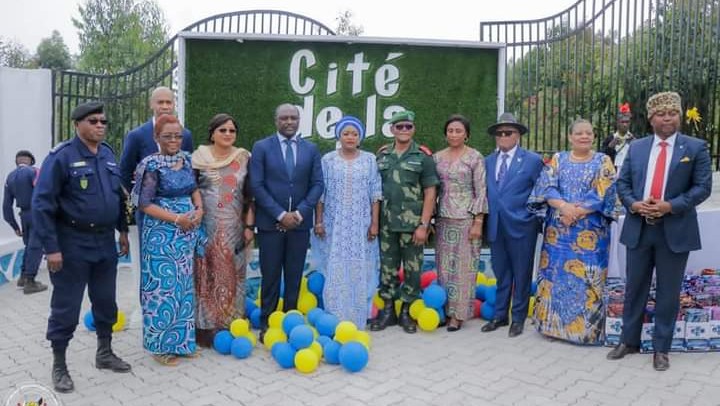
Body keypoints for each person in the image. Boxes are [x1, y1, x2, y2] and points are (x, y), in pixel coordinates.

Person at [607, 92, 712, 371]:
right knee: (634, 288)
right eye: (661, 114)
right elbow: (623, 184)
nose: (667, 118)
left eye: (672, 113)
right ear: (651, 118)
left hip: (674, 230)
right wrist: (633, 204)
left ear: (679, 116)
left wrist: (670, 206)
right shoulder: (637, 147)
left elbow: (702, 188)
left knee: (668, 291)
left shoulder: (696, 147)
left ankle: (661, 349)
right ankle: (629, 341)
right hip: (639, 228)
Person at [32, 101, 132, 393]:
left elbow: (118, 196)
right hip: (71, 243)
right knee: (66, 307)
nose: (100, 125)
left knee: (105, 301)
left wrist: (123, 230)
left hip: (104, 242)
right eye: (93, 121)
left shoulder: (108, 155)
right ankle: (60, 364)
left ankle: (104, 353)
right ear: (77, 124)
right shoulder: (61, 157)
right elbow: (42, 204)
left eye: (103, 121)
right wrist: (51, 249)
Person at [528, 118, 620, 345]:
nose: (584, 136)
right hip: (558, 233)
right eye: (579, 133)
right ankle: (552, 327)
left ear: (594, 136)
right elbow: (546, 186)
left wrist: (576, 211)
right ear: (570, 137)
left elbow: (604, 191)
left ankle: (586, 332)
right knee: (555, 276)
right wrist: (564, 207)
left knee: (587, 278)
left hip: (590, 234)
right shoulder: (558, 160)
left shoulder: (603, 161)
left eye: (589, 133)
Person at [131, 114, 205, 366]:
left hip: (186, 233)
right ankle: (160, 346)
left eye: (177, 135)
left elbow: (193, 187)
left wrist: (199, 208)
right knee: (162, 289)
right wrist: (176, 219)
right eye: (167, 136)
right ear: (156, 138)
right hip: (161, 235)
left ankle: (183, 344)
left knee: (183, 287)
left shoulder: (186, 159)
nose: (174, 140)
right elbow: (143, 204)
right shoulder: (150, 165)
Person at [249, 103, 323, 341]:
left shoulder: (311, 149)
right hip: (271, 225)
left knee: (293, 276)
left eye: (293, 117)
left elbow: (317, 185)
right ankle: (267, 325)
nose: (289, 122)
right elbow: (256, 186)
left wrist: (299, 214)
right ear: (276, 120)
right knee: (270, 276)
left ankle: (291, 325)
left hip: (300, 225)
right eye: (284, 118)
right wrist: (281, 215)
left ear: (299, 120)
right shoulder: (261, 147)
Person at [370, 110, 439, 334]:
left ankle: (407, 312)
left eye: (408, 127)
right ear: (392, 129)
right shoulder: (381, 155)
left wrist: (424, 225)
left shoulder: (423, 157)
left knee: (413, 269)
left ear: (413, 129)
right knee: (387, 269)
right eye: (399, 127)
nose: (404, 130)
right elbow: (374, 192)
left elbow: (430, 193)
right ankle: (388, 311)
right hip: (386, 224)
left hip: (413, 225)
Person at [312, 116, 381, 329]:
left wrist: (374, 223)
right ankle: (334, 316)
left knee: (362, 267)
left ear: (360, 137)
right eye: (346, 133)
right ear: (339, 136)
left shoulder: (369, 159)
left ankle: (359, 316)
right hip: (335, 225)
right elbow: (320, 194)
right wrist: (319, 221)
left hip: (361, 224)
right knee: (335, 267)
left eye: (354, 134)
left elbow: (375, 193)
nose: (350, 137)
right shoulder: (328, 160)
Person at [192, 114, 255, 347]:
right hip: (206, 228)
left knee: (233, 276)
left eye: (232, 131)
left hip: (234, 229)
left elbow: (251, 196)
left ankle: (233, 325)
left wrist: (249, 227)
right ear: (212, 134)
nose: (228, 134)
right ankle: (207, 329)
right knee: (207, 275)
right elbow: (191, 191)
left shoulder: (244, 158)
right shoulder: (198, 158)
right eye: (222, 130)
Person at [482, 113, 544, 337]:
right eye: (499, 133)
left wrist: (532, 217)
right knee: (501, 272)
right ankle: (500, 315)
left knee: (522, 273)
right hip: (496, 225)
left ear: (518, 135)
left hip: (522, 226)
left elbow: (541, 192)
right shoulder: (487, 161)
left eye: (508, 132)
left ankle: (518, 318)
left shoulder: (532, 160)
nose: (503, 136)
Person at [433, 115, 487, 332]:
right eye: (450, 130)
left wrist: (478, 221)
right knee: (444, 268)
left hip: (466, 219)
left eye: (458, 131)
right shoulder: (437, 158)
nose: (454, 134)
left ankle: (459, 315)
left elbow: (481, 190)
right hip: (443, 219)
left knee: (463, 269)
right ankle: (446, 311)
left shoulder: (474, 157)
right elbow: (432, 189)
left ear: (466, 134)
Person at [119, 87, 194, 229]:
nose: (165, 106)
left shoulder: (186, 135)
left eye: (168, 102)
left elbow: (189, 171)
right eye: (160, 102)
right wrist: (139, 197)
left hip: (181, 213)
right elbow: (124, 171)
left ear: (173, 104)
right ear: (151, 104)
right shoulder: (137, 136)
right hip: (149, 214)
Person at [3, 149, 47, 294]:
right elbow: (44, 192)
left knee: (29, 246)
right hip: (37, 213)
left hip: (24, 217)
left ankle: (22, 276)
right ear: (30, 161)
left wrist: (14, 225)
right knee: (36, 246)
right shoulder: (35, 171)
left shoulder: (9, 178)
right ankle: (30, 281)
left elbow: (6, 207)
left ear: (17, 161)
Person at [601, 103, 635, 173]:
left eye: (627, 122)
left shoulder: (633, 139)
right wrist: (610, 146)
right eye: (622, 122)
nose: (625, 125)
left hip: (628, 171)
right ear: (617, 123)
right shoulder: (610, 138)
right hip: (612, 171)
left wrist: (634, 144)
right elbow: (602, 156)